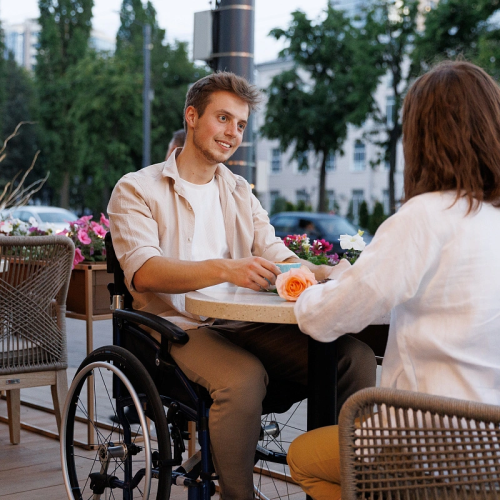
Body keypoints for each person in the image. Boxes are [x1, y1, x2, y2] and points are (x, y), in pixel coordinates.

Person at [107, 71, 377, 500]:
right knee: (244, 378)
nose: (232, 133)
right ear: (191, 116)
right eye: (223, 118)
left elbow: (273, 252)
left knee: (352, 357)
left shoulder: (237, 190)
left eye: (241, 125)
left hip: (239, 323)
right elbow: (146, 272)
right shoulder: (137, 189)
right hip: (174, 327)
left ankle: (344, 484)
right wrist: (226, 269)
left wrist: (325, 272)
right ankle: (238, 494)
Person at [287, 60, 500, 500]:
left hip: (427, 439)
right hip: (491, 446)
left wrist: (308, 290)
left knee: (304, 458)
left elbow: (325, 319)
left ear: (423, 137)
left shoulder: (424, 217)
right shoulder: (491, 219)